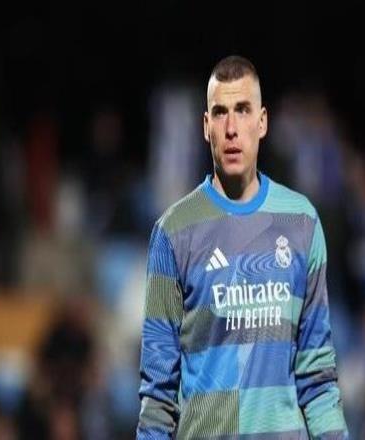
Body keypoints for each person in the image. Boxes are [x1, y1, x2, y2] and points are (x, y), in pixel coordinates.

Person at [137, 55, 348, 439]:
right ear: (206, 127)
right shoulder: (173, 233)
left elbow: (317, 377)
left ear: (262, 122)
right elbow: (158, 395)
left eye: (243, 110)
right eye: (220, 113)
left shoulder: (301, 222)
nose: (232, 128)